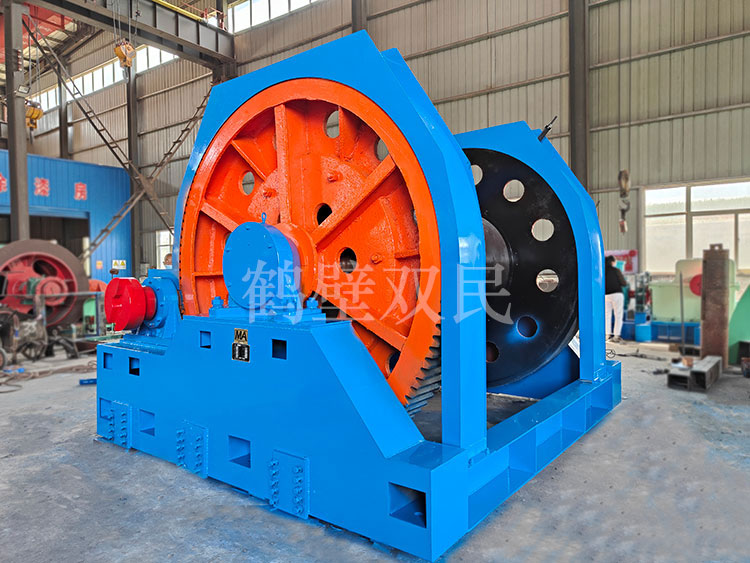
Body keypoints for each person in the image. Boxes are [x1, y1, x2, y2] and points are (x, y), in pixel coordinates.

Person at [604, 255, 628, 342]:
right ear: (612, 262)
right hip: (617, 294)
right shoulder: (616, 270)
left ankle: (607, 335)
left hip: (606, 295)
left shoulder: (602, 271)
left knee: (607, 315)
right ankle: (616, 335)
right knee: (618, 315)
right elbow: (624, 283)